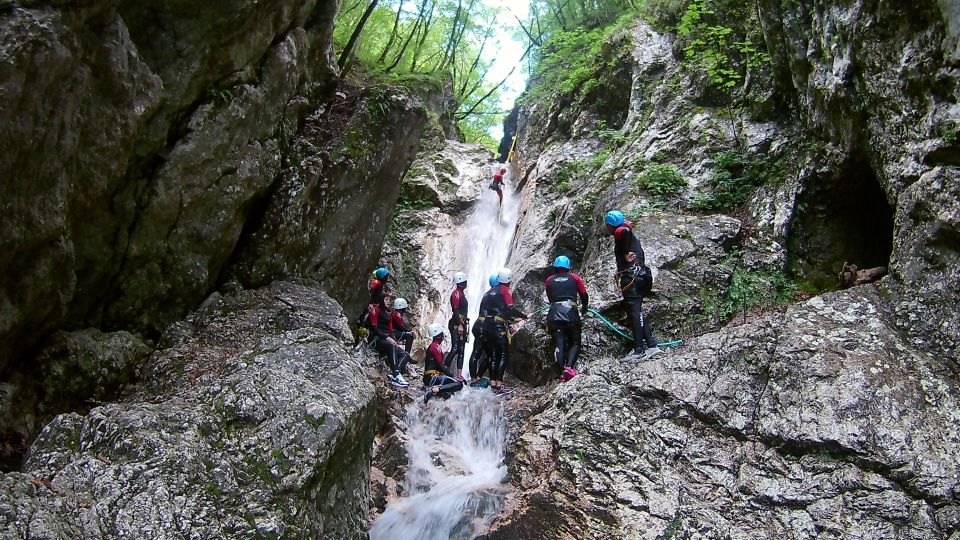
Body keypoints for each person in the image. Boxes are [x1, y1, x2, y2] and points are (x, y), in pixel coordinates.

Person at [604, 210, 659, 358]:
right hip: (640, 276)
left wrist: (626, 249)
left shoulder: (623, 233)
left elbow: (624, 231)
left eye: (607, 226)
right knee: (637, 312)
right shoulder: (627, 235)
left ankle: (638, 349)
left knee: (635, 313)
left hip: (633, 279)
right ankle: (652, 344)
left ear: (610, 225)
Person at [479, 267, 527, 393]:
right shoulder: (505, 290)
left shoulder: (487, 293)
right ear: (509, 279)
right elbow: (509, 309)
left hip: (486, 324)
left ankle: (492, 381)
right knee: (503, 354)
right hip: (498, 325)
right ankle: (499, 383)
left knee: (493, 355)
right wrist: (524, 316)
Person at [545, 255, 589, 380]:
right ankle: (569, 368)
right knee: (574, 342)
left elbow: (550, 298)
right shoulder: (575, 278)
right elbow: (583, 295)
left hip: (554, 313)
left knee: (559, 343)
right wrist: (584, 308)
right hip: (570, 312)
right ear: (568, 267)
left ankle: (561, 372)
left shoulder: (549, 280)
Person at [367, 294, 411, 387]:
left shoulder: (388, 314)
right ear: (381, 300)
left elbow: (391, 331)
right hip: (375, 339)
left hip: (386, 339)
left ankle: (395, 374)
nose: (388, 302)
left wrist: (395, 341)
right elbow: (374, 327)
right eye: (386, 299)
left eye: (389, 300)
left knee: (405, 354)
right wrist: (387, 337)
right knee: (391, 345)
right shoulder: (375, 310)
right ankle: (396, 374)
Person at [468, 274, 499, 387]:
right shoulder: (495, 295)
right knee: (490, 355)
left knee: (480, 353)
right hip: (485, 326)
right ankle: (486, 380)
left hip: (478, 324)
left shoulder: (486, 294)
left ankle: (476, 377)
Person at [423, 323, 465, 403]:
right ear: (439, 335)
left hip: (430, 377)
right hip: (432, 377)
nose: (443, 336)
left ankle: (439, 392)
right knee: (458, 384)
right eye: (442, 334)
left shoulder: (433, 346)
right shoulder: (435, 347)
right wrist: (453, 376)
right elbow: (441, 366)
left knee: (449, 393)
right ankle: (434, 390)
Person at [445, 272, 469, 373]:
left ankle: (459, 374)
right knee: (455, 348)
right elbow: (456, 310)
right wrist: (460, 324)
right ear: (462, 282)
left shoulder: (461, 293)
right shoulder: (456, 294)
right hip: (456, 324)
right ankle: (444, 369)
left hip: (462, 324)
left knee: (461, 350)